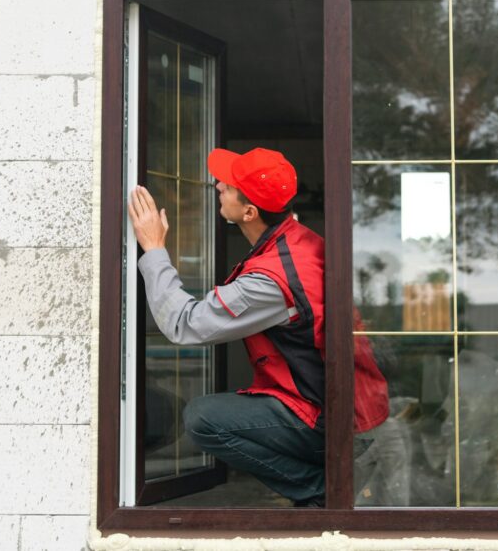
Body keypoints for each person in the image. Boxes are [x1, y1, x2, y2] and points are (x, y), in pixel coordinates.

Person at [129, 147, 369, 507]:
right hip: (343, 405)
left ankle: (321, 490)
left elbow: (184, 325)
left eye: (228, 185)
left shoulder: (270, 281)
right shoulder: (299, 240)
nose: (217, 184)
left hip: (324, 418)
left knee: (202, 417)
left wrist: (153, 248)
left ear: (249, 211)